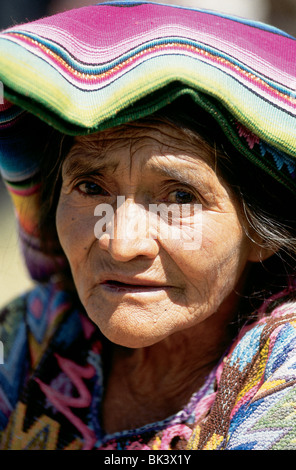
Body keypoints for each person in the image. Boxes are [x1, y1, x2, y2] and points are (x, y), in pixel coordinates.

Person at [0, 1, 295, 451]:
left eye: (179, 197)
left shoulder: (284, 380)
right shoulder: (29, 335)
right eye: (90, 185)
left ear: (261, 234)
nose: (120, 244)